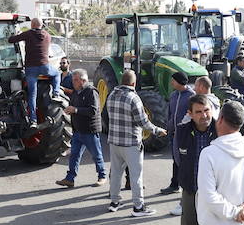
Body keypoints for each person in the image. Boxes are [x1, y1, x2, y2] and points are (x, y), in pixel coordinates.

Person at [173, 94, 219, 225]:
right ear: (190, 114)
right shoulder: (182, 132)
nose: (204, 115)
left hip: (217, 196)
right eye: (198, 112)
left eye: (206, 110)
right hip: (191, 193)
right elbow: (178, 157)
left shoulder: (221, 131)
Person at [104, 70, 166, 216]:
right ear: (134, 83)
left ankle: (114, 202)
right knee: (136, 176)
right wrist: (158, 130)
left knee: (116, 173)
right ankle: (138, 207)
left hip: (114, 142)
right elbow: (143, 122)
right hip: (131, 143)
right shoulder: (133, 98)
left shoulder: (111, 95)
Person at [56, 70, 106, 187]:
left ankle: (102, 176)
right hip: (78, 131)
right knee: (74, 155)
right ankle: (70, 178)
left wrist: (76, 110)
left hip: (90, 131)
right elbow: (74, 108)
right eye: (73, 80)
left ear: (83, 80)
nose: (73, 82)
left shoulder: (91, 92)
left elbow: (93, 110)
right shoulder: (76, 93)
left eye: (75, 80)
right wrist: (69, 110)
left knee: (96, 155)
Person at [8, 18, 58, 125]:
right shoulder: (48, 35)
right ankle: (56, 93)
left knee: (32, 95)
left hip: (31, 69)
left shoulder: (28, 34)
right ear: (41, 25)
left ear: (32, 24)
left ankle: (33, 120)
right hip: (44, 66)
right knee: (57, 73)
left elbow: (11, 40)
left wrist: (14, 35)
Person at [161, 72, 194, 194]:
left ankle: (186, 186)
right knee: (175, 159)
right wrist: (169, 127)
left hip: (186, 134)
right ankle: (174, 184)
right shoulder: (173, 95)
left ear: (180, 82)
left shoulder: (191, 96)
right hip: (174, 133)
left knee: (184, 160)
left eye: (173, 80)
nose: (171, 83)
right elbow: (170, 114)